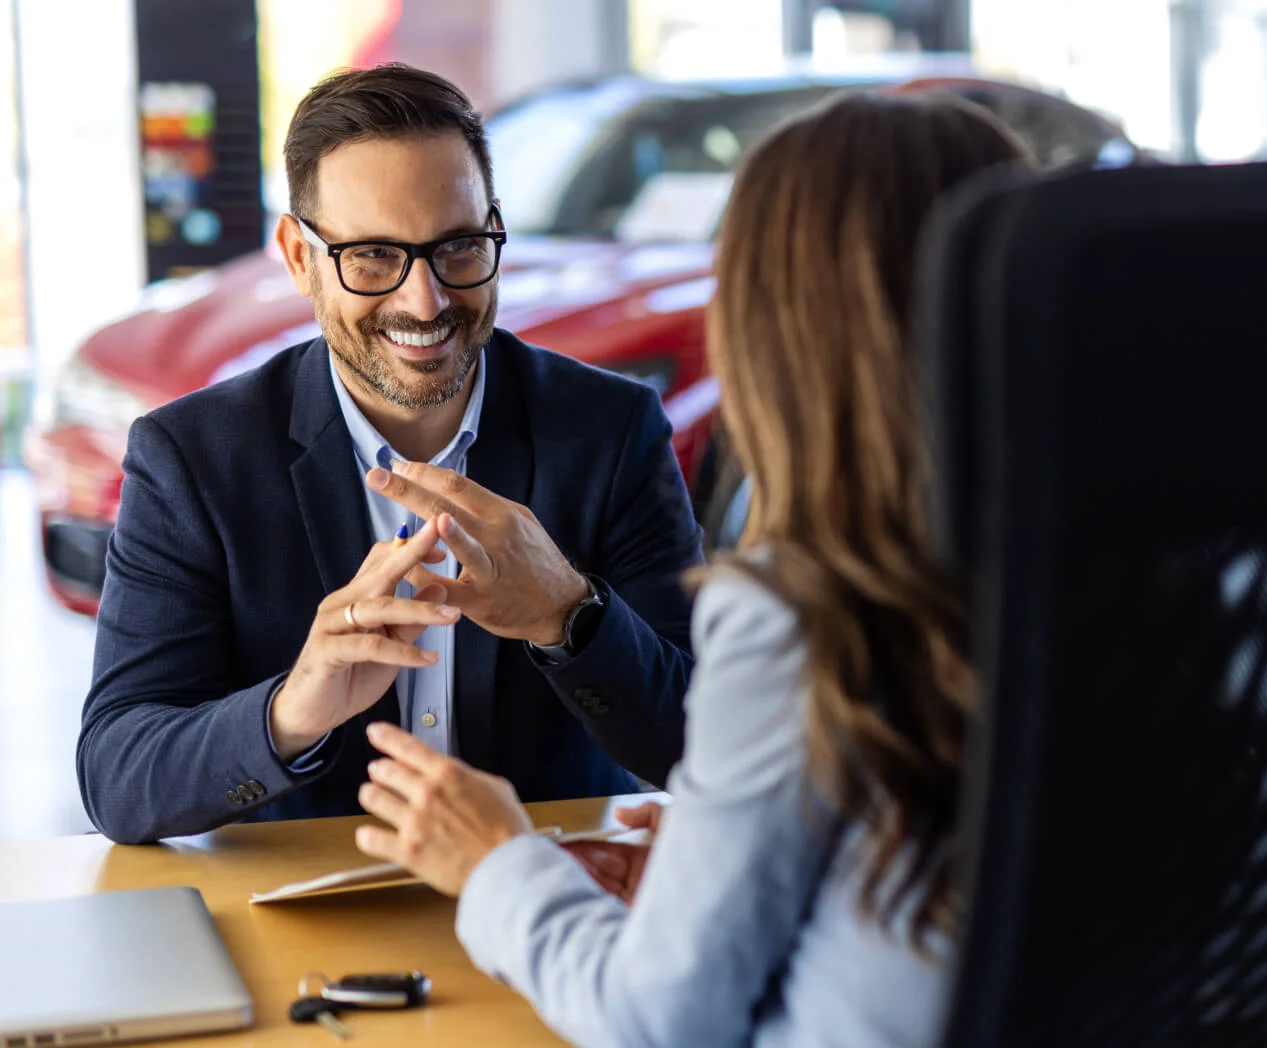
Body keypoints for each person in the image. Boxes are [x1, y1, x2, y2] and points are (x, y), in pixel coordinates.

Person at [350, 91, 1033, 1046]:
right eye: (376, 255)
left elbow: (657, 1021)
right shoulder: (1164, 584)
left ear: (782, 335)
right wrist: (724, 867)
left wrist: (499, 859)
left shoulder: (800, 617)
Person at [76, 65, 702, 846]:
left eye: (459, 248)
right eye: (373, 257)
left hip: (555, 906)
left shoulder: (610, 430)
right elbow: (118, 775)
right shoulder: (193, 459)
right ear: (300, 259)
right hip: (305, 925)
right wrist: (291, 711)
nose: (426, 301)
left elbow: (703, 744)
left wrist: (568, 615)